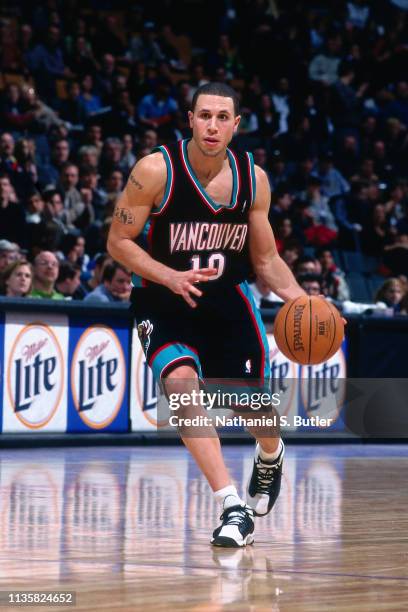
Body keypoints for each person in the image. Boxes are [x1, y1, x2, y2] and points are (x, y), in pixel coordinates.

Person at [107, 82, 309, 548]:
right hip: (163, 301)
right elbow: (118, 242)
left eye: (222, 117)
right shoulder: (154, 170)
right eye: (204, 116)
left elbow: (265, 260)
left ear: (236, 125)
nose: (212, 125)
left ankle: (271, 452)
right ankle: (231, 504)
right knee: (180, 385)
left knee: (251, 407)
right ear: (190, 119)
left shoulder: (253, 178)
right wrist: (168, 276)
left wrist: (301, 300)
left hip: (226, 301)